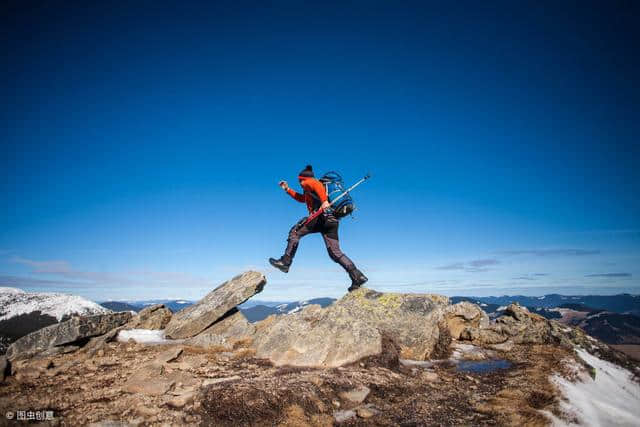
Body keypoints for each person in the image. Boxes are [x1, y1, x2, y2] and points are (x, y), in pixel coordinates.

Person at [269, 165, 368, 292]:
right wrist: (287, 189)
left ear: (302, 178)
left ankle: (285, 262)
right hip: (332, 220)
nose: (300, 183)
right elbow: (302, 199)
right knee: (335, 253)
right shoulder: (311, 191)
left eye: (300, 181)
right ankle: (357, 276)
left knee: (295, 232)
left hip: (321, 217)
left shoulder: (309, 182)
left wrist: (324, 202)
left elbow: (316, 185)